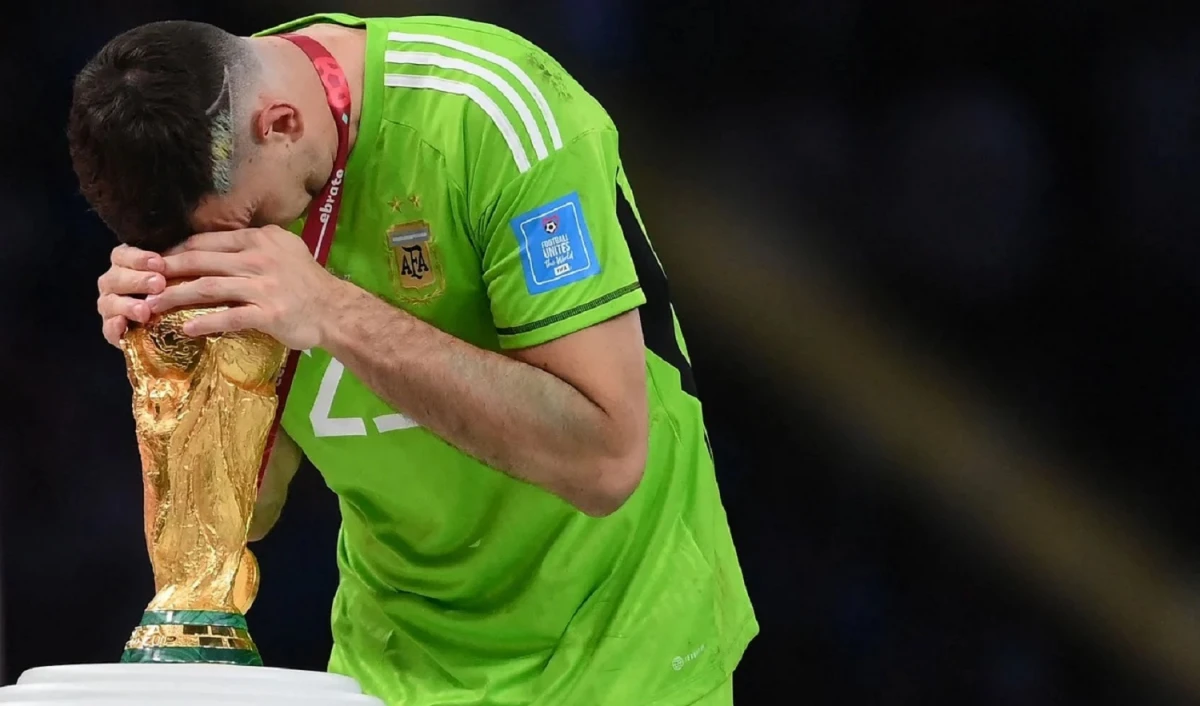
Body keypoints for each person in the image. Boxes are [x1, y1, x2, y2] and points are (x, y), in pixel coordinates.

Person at [68, 12, 756, 706]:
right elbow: (249, 513)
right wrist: (171, 365)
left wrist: (332, 312)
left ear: (281, 125)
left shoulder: (495, 117)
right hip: (394, 668)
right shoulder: (216, 172)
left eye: (247, 228)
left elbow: (606, 461)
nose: (238, 255)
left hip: (619, 651)